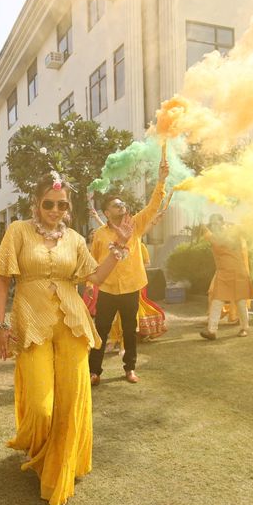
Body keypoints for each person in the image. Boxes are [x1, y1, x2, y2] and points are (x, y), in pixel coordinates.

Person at [0, 175, 132, 505]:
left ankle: (60, 466)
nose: (55, 210)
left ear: (68, 208)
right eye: (49, 204)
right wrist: (0, 325)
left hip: (72, 325)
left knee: (71, 402)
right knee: (41, 407)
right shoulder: (18, 232)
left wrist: (119, 248)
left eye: (62, 205)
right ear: (36, 203)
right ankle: (40, 451)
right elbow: (2, 280)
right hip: (31, 324)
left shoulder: (74, 239)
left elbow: (94, 277)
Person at [87, 155, 168, 385]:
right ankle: (95, 372)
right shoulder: (100, 235)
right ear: (106, 212)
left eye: (122, 204)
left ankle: (129, 369)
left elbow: (153, 206)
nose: (121, 206)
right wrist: (92, 286)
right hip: (108, 290)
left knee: (130, 330)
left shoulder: (135, 225)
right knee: (100, 330)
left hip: (131, 288)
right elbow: (93, 262)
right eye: (116, 205)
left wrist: (161, 180)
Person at [200, 216, 253, 341]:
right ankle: (212, 331)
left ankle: (244, 328)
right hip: (223, 274)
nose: (215, 225)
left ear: (222, 223)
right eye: (212, 223)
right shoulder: (215, 236)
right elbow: (207, 233)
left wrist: (234, 225)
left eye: (217, 222)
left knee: (241, 302)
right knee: (217, 301)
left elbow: (245, 229)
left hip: (239, 272)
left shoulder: (233, 234)